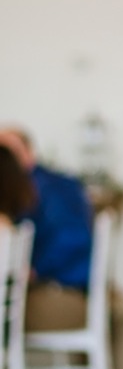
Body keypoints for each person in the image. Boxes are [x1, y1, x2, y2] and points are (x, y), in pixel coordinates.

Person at [0, 127, 94, 330]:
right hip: (73, 287)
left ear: (28, 152)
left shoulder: (37, 191)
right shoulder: (61, 181)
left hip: (63, 290)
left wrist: (35, 270)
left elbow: (69, 240)